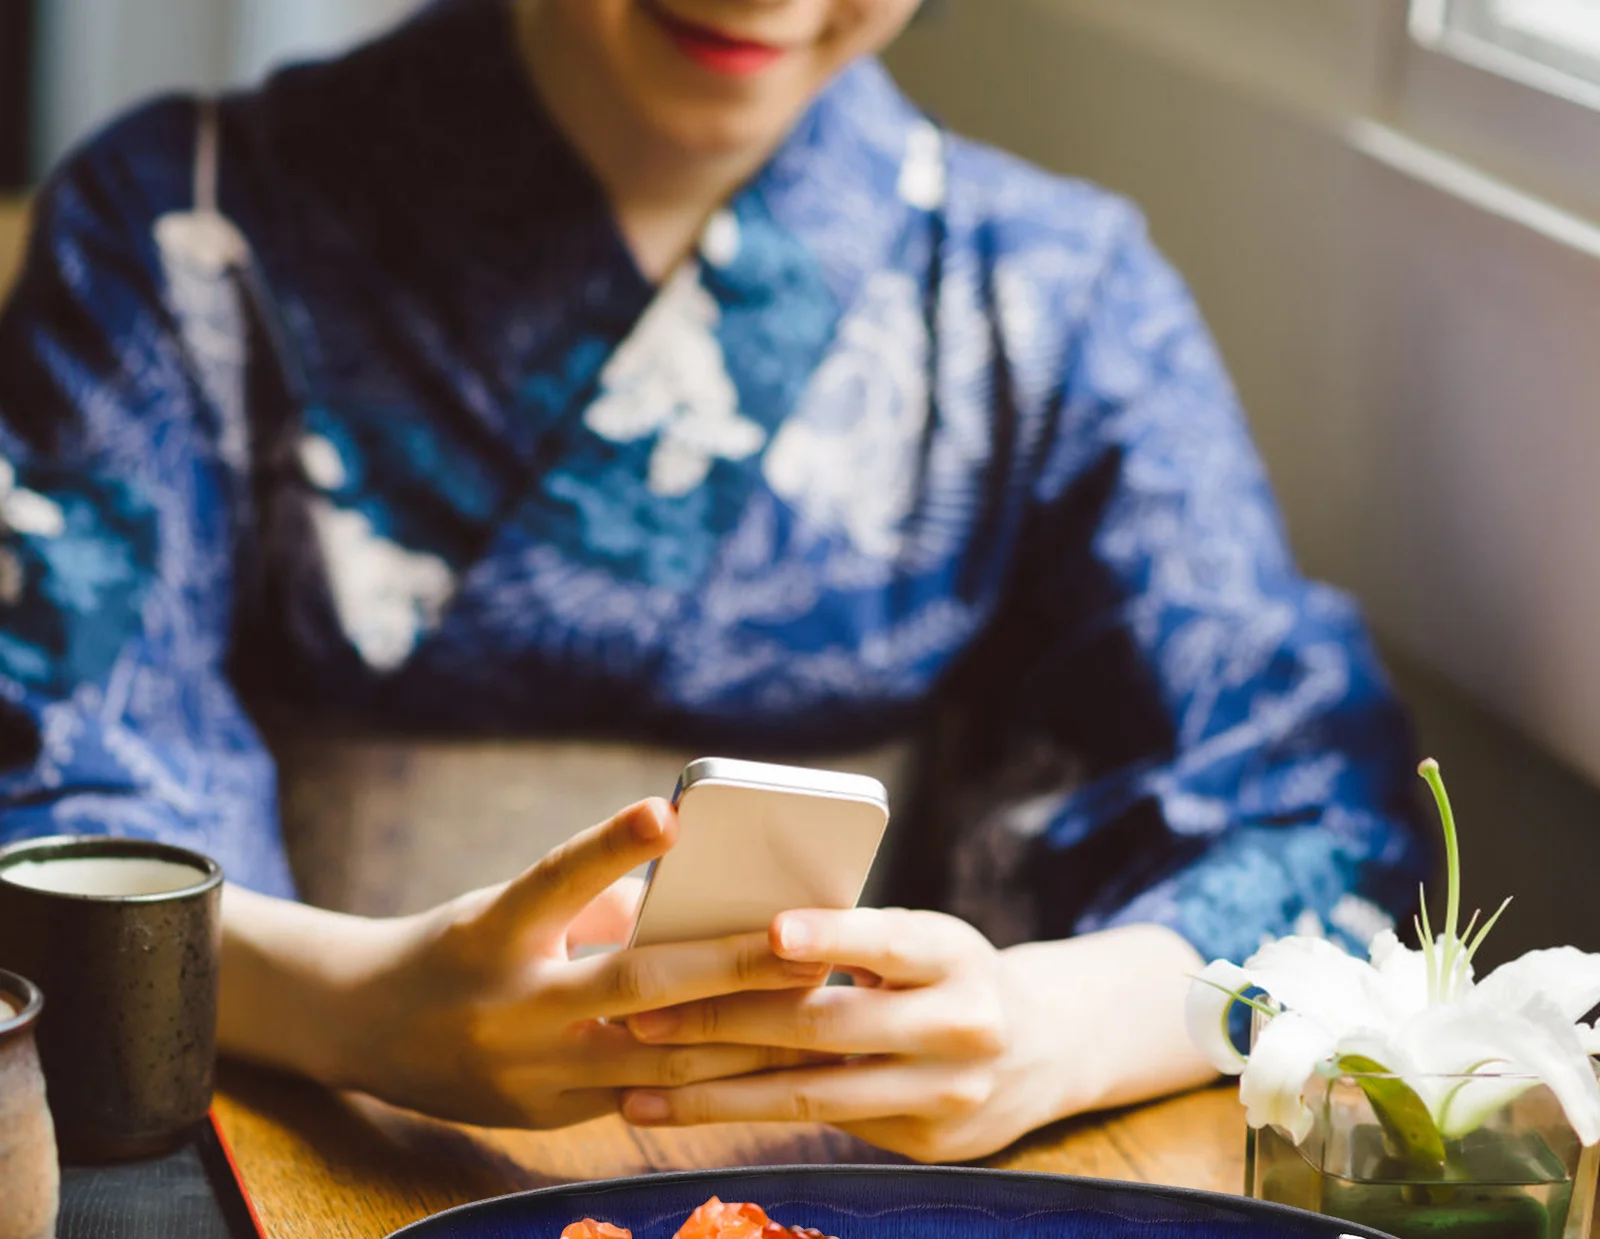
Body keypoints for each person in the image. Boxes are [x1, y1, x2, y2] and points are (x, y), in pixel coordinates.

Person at [0, 0, 1424, 1161]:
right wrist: (359, 1007)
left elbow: (1312, 814)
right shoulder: (179, 216)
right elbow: (60, 797)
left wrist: (1046, 1029)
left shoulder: (1051, 291)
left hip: (854, 1184)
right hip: (295, 1134)